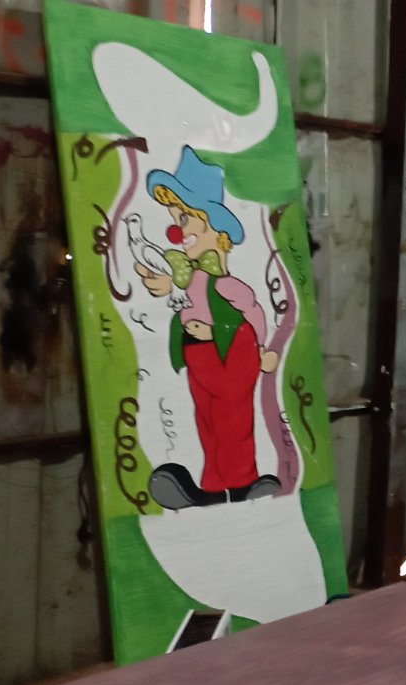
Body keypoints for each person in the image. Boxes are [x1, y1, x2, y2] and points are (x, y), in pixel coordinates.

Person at [135, 146, 281, 509]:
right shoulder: (193, 275)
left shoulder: (224, 283)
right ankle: (215, 485)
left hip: (233, 352)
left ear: (214, 226)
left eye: (184, 218)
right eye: (175, 217)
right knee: (207, 421)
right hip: (199, 352)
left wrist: (261, 349)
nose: (176, 229)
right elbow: (184, 294)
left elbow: (252, 310)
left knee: (231, 420)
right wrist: (166, 286)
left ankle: (242, 482)